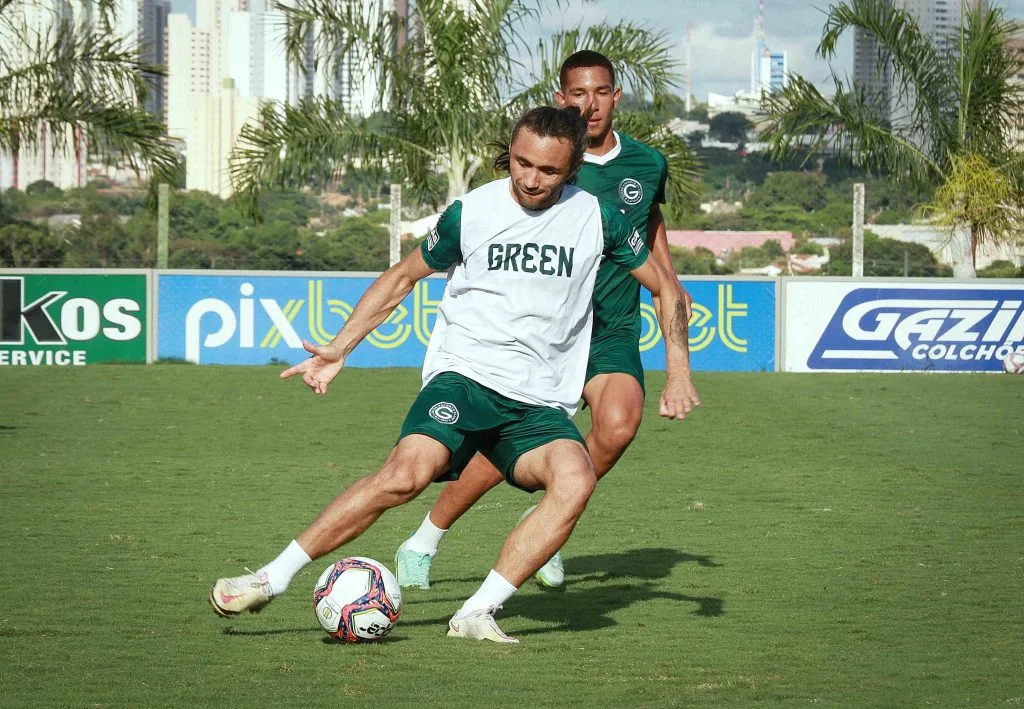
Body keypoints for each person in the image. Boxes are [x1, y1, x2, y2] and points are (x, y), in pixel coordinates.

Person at [208, 105, 698, 643]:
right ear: (509, 153)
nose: (531, 180)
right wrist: (339, 348)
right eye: (521, 163)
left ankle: (475, 613)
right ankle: (269, 578)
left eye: (549, 171)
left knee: (576, 478)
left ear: (574, 167)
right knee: (405, 476)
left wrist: (678, 370)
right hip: (464, 376)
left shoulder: (598, 217)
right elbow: (401, 278)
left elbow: (666, 287)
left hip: (539, 400)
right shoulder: (472, 212)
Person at [395, 50, 697, 590]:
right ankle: (426, 535)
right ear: (562, 99)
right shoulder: (543, 160)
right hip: (541, 332)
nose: (590, 103)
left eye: (601, 92)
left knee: (619, 426)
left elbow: (655, 243)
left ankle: (548, 523)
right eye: (578, 93)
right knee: (502, 444)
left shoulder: (648, 165)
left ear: (615, 97)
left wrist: (677, 345)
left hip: (610, 328)